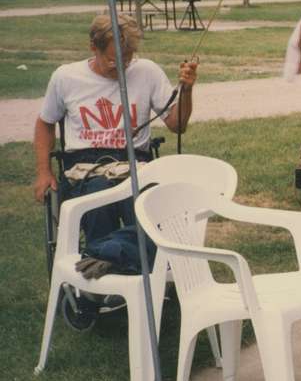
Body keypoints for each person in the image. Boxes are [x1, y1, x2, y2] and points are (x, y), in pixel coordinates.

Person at [33, 13, 198, 245]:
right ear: (93, 47)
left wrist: (187, 91)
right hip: (86, 168)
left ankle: (137, 266)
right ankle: (106, 266)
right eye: (112, 60)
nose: (120, 67)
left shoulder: (147, 72)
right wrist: (43, 172)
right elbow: (45, 123)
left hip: (135, 164)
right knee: (98, 203)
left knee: (144, 211)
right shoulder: (66, 77)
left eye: (127, 59)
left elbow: (177, 125)